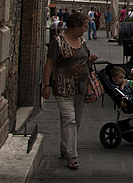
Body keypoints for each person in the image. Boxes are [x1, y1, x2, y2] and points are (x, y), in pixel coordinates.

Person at [41, 12, 97, 170]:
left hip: (80, 87)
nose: (85, 29)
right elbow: (49, 65)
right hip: (63, 87)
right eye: (84, 26)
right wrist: (46, 86)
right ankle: (72, 156)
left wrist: (89, 61)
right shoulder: (57, 42)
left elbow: (83, 60)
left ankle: (65, 148)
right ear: (76, 26)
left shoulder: (82, 41)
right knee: (69, 120)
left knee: (75, 122)